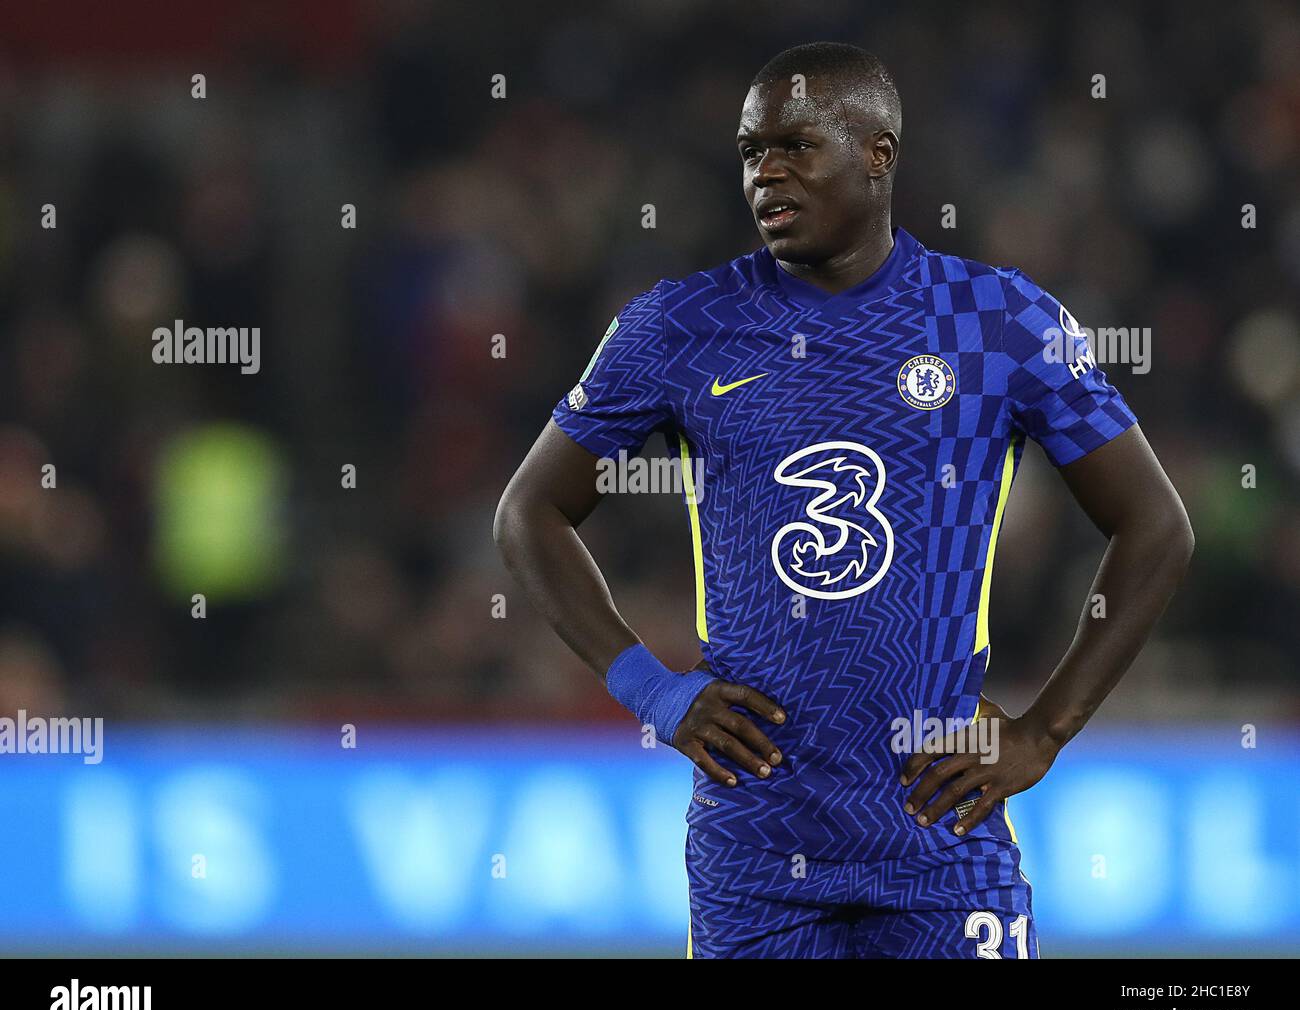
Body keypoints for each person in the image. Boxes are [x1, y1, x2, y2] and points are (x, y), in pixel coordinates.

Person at [494, 41, 1194, 958]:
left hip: (941, 837)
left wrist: (1044, 731)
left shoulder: (997, 323)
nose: (766, 174)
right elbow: (529, 513)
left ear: (879, 152)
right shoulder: (680, 326)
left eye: (795, 146)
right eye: (751, 153)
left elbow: (1155, 526)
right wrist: (654, 692)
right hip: (755, 848)